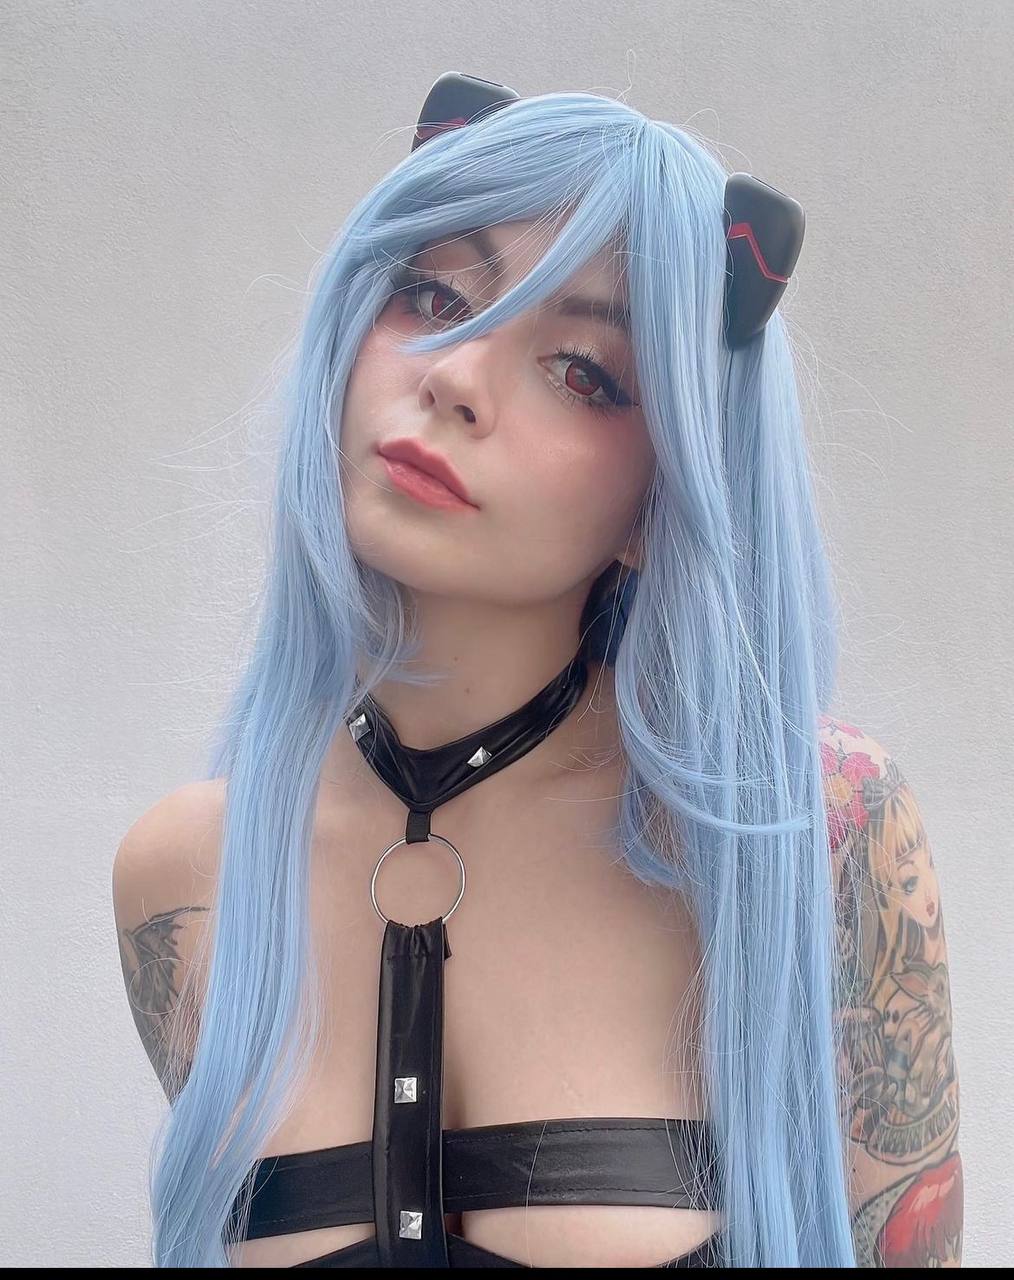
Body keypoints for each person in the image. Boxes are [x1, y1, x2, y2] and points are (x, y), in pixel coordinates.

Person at [111, 83, 962, 1267]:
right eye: (433, 296)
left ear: (665, 498)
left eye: (581, 369)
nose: (457, 375)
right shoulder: (187, 873)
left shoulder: (803, 826)